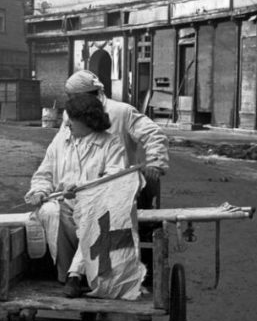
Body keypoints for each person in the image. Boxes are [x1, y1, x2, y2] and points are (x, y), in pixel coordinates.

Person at [65, 69, 169, 286]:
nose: (70, 102)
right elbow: (63, 148)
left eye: (73, 97)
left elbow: (153, 133)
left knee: (98, 213)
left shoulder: (120, 112)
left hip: (117, 186)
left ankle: (81, 273)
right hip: (79, 187)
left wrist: (155, 162)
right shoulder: (70, 116)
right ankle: (69, 268)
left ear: (86, 95)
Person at [24, 93, 128, 298]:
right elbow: (44, 173)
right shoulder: (61, 142)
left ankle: (75, 275)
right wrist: (39, 191)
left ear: (87, 120)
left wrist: (82, 187)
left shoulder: (112, 144)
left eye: (71, 120)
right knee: (50, 211)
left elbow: (115, 179)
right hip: (64, 202)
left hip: (99, 203)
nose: (67, 124)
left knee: (92, 215)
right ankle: (66, 273)